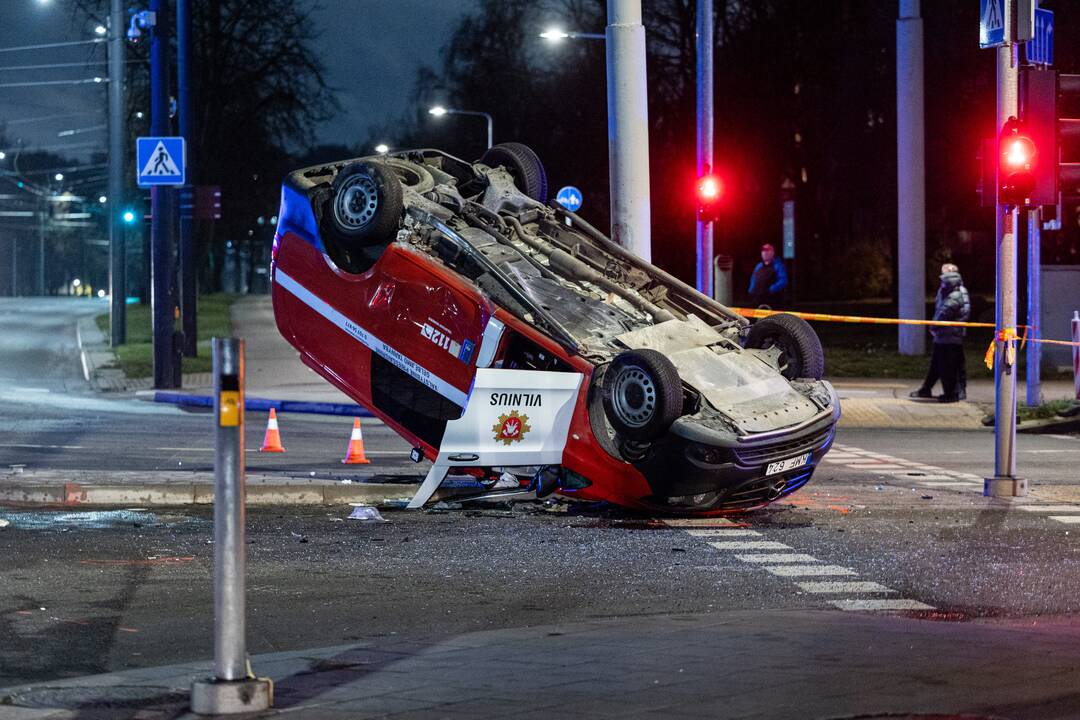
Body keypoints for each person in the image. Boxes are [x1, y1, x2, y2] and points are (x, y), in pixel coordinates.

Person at [910, 263, 970, 403]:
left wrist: (934, 327)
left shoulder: (953, 294)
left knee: (947, 366)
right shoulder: (952, 290)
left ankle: (951, 394)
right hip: (949, 336)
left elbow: (943, 313)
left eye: (943, 274)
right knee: (938, 365)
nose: (941, 277)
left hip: (948, 337)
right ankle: (927, 388)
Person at [747, 243, 788, 308]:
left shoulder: (778, 265)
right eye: (763, 251)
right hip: (758, 299)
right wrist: (751, 290)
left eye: (767, 250)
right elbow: (753, 278)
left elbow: (783, 281)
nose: (765, 253)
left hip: (772, 300)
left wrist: (770, 290)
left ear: (773, 253)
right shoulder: (759, 266)